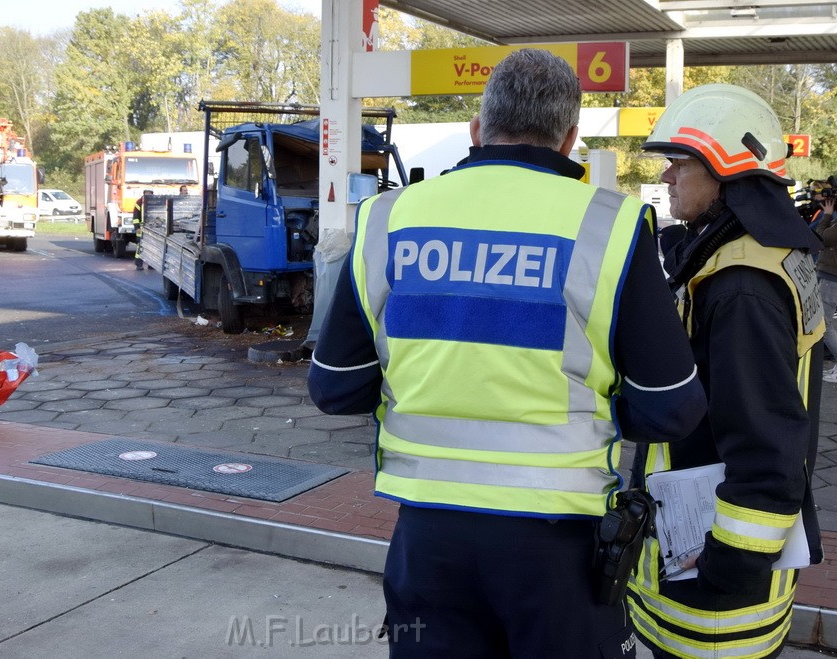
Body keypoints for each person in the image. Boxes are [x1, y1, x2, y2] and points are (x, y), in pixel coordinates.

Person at [307, 48, 707, 658]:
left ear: (477, 127)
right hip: (559, 550)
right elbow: (673, 407)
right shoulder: (611, 225)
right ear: (570, 138)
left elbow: (335, 387)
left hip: (427, 538)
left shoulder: (388, 219)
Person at [627, 84, 825, 659]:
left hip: (714, 603)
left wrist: (725, 567)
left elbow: (766, 450)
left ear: (724, 168)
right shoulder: (762, 253)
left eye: (678, 162)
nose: (666, 176)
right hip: (720, 576)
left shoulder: (741, 288)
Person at [810, 184, 837, 381]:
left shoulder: (832, 221)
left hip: (832, 278)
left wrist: (826, 214)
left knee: (826, 324)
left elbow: (821, 237)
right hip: (827, 274)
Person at [132, 189, 155, 270]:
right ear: (144, 194)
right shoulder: (139, 202)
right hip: (141, 229)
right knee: (140, 246)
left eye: (150, 194)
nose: (148, 196)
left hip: (152, 229)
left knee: (152, 247)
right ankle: (139, 264)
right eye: (147, 194)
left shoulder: (155, 202)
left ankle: (151, 264)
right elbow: (135, 216)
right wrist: (137, 227)